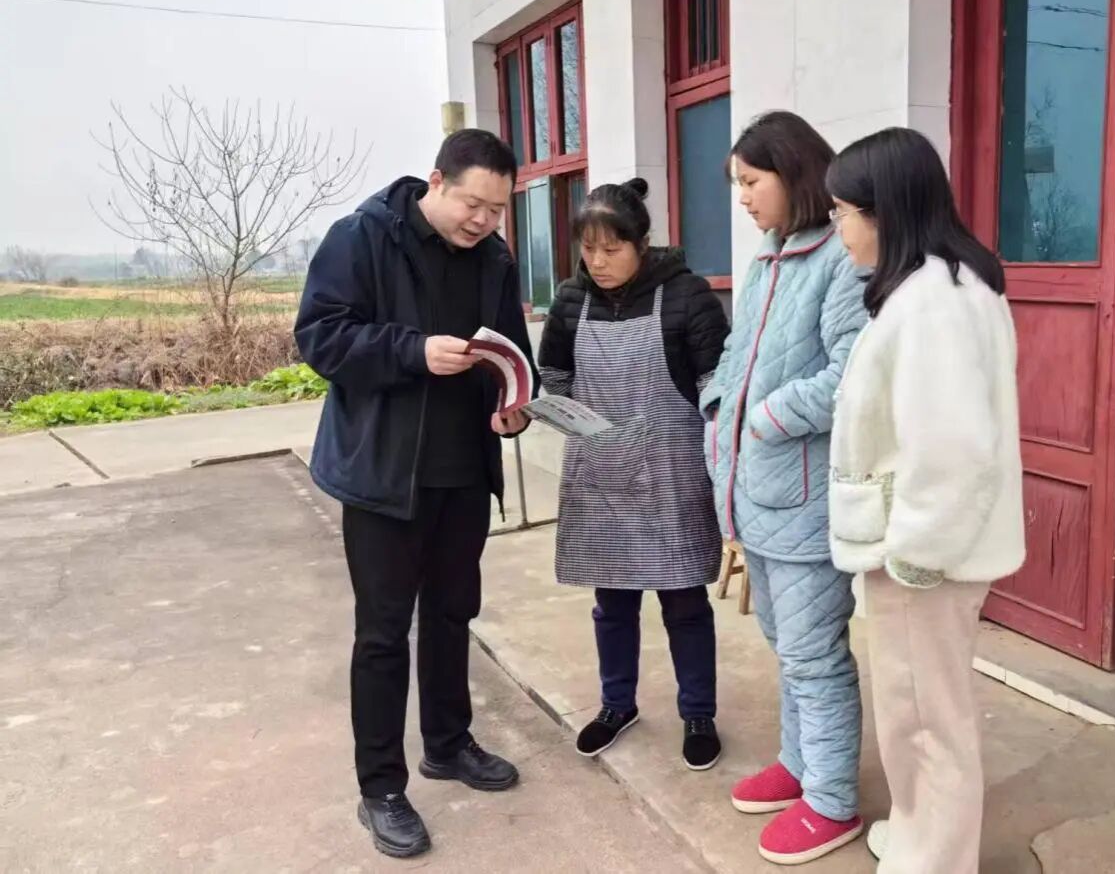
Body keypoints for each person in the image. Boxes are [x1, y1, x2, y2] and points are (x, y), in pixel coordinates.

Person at [294, 129, 538, 860]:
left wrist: (515, 406)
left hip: (463, 468)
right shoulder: (364, 236)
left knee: (453, 613)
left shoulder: (494, 258)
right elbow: (320, 337)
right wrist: (412, 351)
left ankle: (448, 743)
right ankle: (381, 789)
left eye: (497, 209)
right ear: (436, 182)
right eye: (472, 204)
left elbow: (512, 351)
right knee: (382, 633)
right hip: (384, 474)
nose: (483, 221)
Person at [825, 127, 1025, 873]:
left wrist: (916, 552)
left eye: (844, 212)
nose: (838, 228)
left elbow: (951, 447)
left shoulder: (934, 301)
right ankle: (917, 834)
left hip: (923, 553)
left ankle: (934, 859)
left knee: (927, 717)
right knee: (916, 709)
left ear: (885, 210)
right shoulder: (946, 285)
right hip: (925, 545)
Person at [701, 111, 868, 866]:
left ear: (793, 173)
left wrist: (764, 417)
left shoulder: (842, 257)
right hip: (755, 491)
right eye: (736, 183)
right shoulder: (767, 259)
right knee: (784, 644)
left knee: (813, 653)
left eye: (750, 181)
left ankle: (832, 800)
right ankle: (800, 766)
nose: (742, 197)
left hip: (804, 497)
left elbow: (851, 374)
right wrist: (716, 408)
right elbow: (737, 354)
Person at [537, 178, 730, 770]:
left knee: (685, 603)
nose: (597, 262)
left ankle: (698, 712)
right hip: (602, 474)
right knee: (612, 603)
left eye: (611, 249)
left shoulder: (688, 296)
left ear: (642, 244)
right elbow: (556, 378)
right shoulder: (571, 300)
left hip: (672, 473)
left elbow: (716, 388)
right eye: (587, 249)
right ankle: (616, 705)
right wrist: (539, 404)